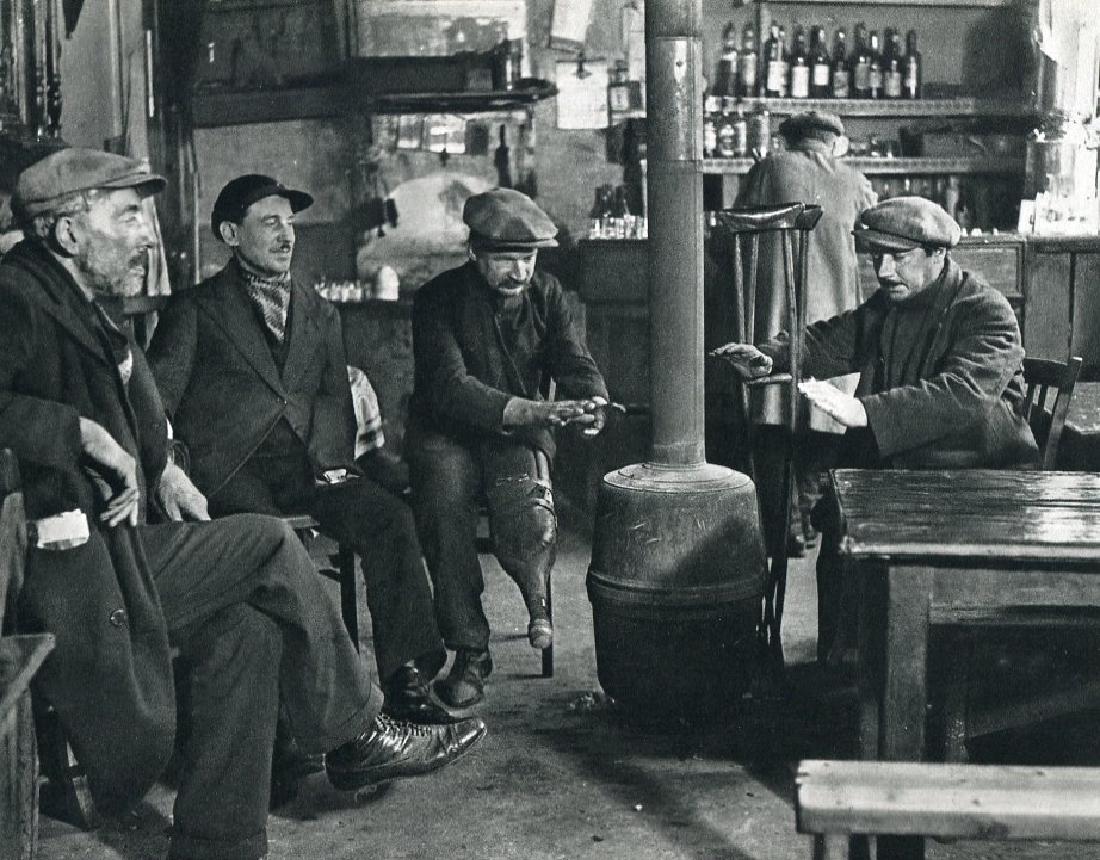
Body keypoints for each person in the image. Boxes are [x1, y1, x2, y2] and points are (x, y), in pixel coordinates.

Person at [0, 147, 486, 860]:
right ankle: (357, 732)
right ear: (69, 232)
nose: (145, 237)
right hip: (66, 569)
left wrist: (160, 466)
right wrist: (78, 431)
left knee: (249, 630)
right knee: (265, 540)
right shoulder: (16, 295)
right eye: (128, 216)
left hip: (114, 549)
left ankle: (217, 843)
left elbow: (141, 400)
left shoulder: (75, 299)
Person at [147, 174, 453, 725]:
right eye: (270, 223)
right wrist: (170, 467)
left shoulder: (320, 311)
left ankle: (408, 680)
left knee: (391, 519)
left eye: (290, 223)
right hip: (232, 472)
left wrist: (336, 464)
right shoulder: (195, 309)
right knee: (275, 550)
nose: (287, 236)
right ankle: (306, 717)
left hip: (311, 466)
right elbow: (155, 401)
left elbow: (334, 397)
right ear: (230, 234)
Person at [712, 196, 1038, 662]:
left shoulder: (986, 310)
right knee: (839, 516)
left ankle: (884, 665)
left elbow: (961, 393)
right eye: (876, 257)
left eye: (897, 257)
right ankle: (842, 662)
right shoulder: (892, 304)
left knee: (853, 516)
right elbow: (833, 338)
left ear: (937, 253)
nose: (883, 271)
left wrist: (864, 412)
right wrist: (772, 356)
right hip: (908, 472)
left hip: (976, 479)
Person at [408, 188, 609, 708]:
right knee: (444, 500)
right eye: (504, 259)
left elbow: (573, 360)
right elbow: (450, 388)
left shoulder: (549, 295)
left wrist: (593, 399)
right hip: (446, 433)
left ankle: (536, 601)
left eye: (528, 258)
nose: (519, 271)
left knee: (528, 505)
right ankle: (470, 651)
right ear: (474, 252)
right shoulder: (437, 299)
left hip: (516, 436)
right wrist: (537, 412)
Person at [732, 110, 877, 556]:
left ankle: (785, 524)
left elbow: (732, 232)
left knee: (773, 416)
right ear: (833, 142)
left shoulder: (768, 169)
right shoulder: (855, 180)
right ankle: (809, 511)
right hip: (833, 323)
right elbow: (872, 236)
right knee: (824, 416)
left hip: (775, 316)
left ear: (790, 139)